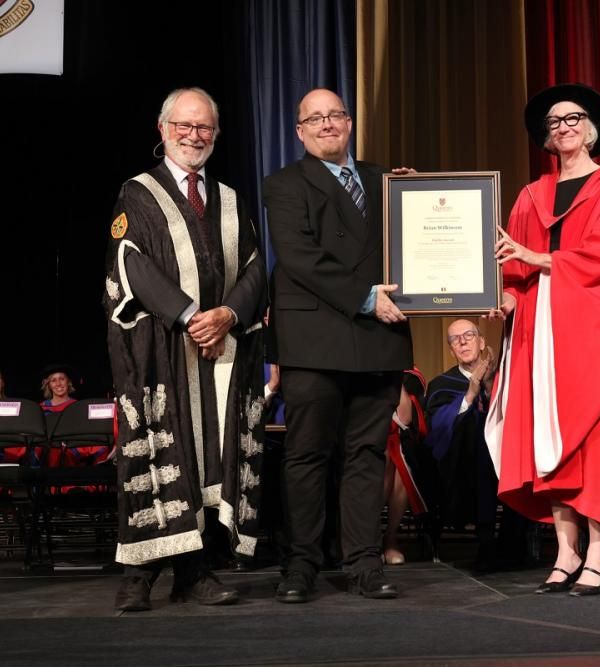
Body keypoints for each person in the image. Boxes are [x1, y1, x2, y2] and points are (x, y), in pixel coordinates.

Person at [103, 87, 267, 611]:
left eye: (204, 128)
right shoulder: (138, 193)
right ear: (163, 130)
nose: (194, 136)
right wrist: (190, 315)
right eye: (185, 126)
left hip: (217, 352)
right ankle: (138, 576)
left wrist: (227, 314)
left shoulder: (231, 199)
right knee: (158, 456)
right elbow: (131, 263)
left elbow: (255, 268)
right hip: (161, 351)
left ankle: (196, 573)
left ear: (216, 135)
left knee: (209, 460)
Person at [485, 84, 600, 596]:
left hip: (591, 332)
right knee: (545, 438)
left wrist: (538, 260)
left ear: (592, 128)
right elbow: (511, 265)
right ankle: (565, 550)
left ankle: (599, 547)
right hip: (537, 332)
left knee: (595, 439)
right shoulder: (532, 196)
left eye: (573, 118)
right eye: (554, 123)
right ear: (546, 138)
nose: (564, 127)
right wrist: (504, 297)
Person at [262, 88, 413, 603]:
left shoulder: (387, 181)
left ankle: (364, 563)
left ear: (349, 123)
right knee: (306, 455)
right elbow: (300, 257)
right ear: (300, 131)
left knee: (368, 455)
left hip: (378, 341)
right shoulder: (283, 185)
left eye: (336, 115)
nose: (327, 124)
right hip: (314, 341)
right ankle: (300, 564)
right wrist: (367, 297)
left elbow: (414, 248)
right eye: (315, 118)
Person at [425, 320, 506, 571]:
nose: (462, 341)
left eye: (469, 335)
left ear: (482, 342)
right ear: (451, 351)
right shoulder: (442, 384)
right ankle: (486, 539)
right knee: (476, 436)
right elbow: (437, 429)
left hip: (504, 455)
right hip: (461, 461)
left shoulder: (505, 377)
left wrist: (491, 385)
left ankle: (512, 539)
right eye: (455, 339)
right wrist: (470, 394)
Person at [382, 368, 430, 565]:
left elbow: (405, 418)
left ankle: (390, 539)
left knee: (401, 466)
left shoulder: (411, 376)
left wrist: (393, 373)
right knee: (383, 457)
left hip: (401, 443)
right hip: (366, 444)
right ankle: (369, 539)